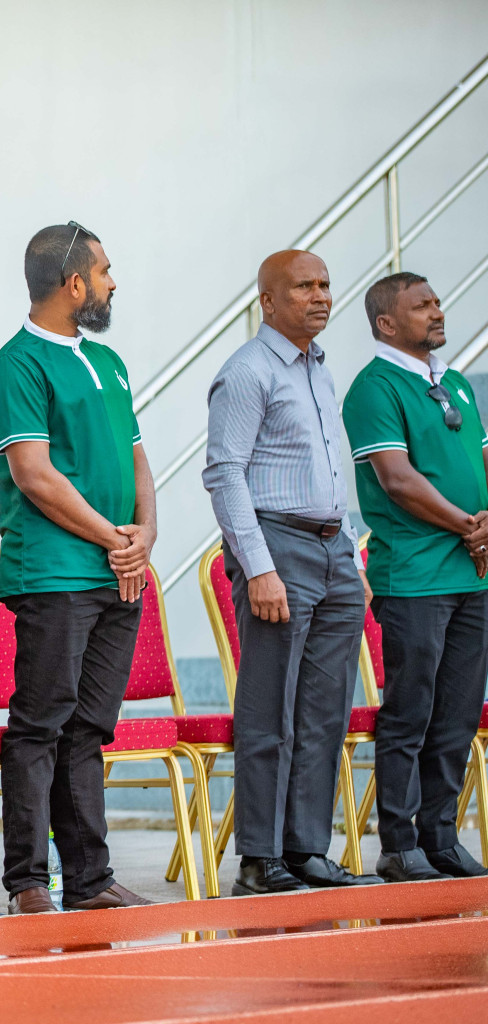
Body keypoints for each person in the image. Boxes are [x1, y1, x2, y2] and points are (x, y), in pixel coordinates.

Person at [0, 222, 157, 915]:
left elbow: (138, 457)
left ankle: (89, 879)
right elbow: (34, 474)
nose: (114, 282)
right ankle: (27, 882)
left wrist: (143, 532)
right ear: (73, 282)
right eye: (105, 270)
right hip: (56, 574)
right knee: (41, 724)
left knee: (88, 728)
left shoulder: (109, 362)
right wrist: (114, 538)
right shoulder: (16, 365)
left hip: (119, 571)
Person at [203, 249, 382, 895]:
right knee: (268, 711)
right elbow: (224, 474)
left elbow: (331, 472)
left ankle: (307, 850)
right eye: (303, 286)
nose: (320, 296)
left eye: (326, 285)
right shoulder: (248, 372)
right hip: (278, 547)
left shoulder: (320, 371)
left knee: (324, 712)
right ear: (269, 303)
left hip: (334, 551)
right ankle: (260, 858)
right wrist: (259, 567)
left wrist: (350, 552)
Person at [342, 272, 488, 882]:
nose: (436, 310)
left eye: (436, 301)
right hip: (415, 577)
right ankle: (399, 844)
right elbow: (396, 480)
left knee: (457, 713)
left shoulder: (452, 382)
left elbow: (479, 459)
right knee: (411, 712)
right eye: (421, 305)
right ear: (386, 323)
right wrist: (467, 525)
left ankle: (441, 836)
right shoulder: (374, 387)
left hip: (472, 575)